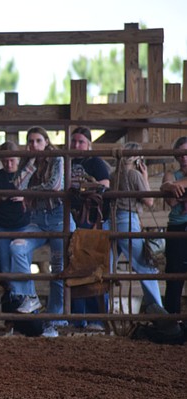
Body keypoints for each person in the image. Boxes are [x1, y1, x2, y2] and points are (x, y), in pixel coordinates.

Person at [10, 127, 76, 337]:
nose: (34, 145)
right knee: (17, 247)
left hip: (58, 218)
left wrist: (29, 193)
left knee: (58, 269)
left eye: (38, 141)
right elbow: (17, 187)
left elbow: (55, 185)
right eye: (30, 142)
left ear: (46, 142)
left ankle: (53, 322)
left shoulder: (57, 158)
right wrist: (30, 164)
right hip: (37, 219)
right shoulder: (27, 162)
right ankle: (30, 296)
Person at [0, 142, 38, 330]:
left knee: (22, 268)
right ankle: (10, 317)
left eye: (12, 160)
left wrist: (24, 197)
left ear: (18, 159)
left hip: (23, 226)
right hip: (1, 226)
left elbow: (38, 199)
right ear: (1, 160)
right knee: (6, 271)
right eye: (5, 160)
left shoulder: (27, 175)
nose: (9, 164)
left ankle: (26, 316)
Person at [68, 126, 111, 329]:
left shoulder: (96, 162)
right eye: (74, 141)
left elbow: (104, 185)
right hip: (73, 219)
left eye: (81, 142)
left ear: (89, 144)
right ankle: (78, 318)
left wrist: (82, 188)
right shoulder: (66, 161)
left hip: (92, 219)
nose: (76, 145)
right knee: (75, 265)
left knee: (93, 264)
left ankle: (96, 318)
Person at [112, 142, 162, 309]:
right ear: (138, 159)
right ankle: (158, 310)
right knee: (145, 267)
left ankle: (96, 314)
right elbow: (149, 201)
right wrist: (145, 178)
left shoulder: (114, 175)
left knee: (106, 266)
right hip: (128, 220)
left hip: (113, 221)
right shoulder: (134, 174)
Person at [160, 136, 187, 315]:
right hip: (177, 226)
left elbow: (169, 191)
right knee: (174, 274)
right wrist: (169, 186)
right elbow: (170, 200)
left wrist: (175, 186)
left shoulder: (173, 179)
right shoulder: (171, 175)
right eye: (181, 154)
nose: (184, 157)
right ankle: (173, 320)